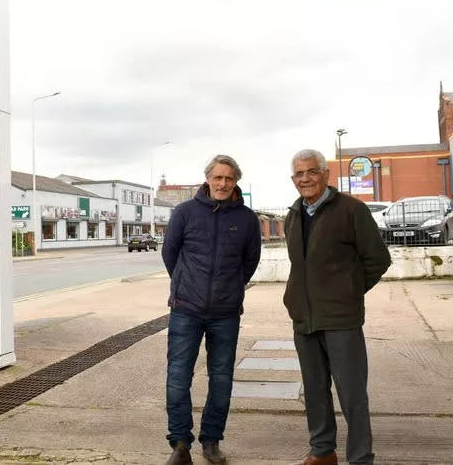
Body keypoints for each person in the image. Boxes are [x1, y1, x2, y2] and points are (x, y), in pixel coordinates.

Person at [283, 149, 391, 465]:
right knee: (315, 392)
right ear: (293, 179)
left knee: (352, 395)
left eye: (311, 172)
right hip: (304, 318)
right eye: (299, 174)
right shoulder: (293, 214)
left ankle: (360, 458)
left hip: (341, 319)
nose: (305, 178)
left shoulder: (351, 210)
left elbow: (378, 260)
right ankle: (322, 451)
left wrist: (349, 291)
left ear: (325, 174)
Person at [162, 154, 262, 465]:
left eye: (228, 179)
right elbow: (170, 255)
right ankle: (180, 444)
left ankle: (211, 441)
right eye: (217, 178)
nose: (222, 183)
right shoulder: (184, 212)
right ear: (207, 179)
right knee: (178, 377)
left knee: (221, 378)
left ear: (235, 182)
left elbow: (250, 262)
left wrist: (230, 289)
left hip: (225, 313)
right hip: (185, 310)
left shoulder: (246, 219)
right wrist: (185, 285)